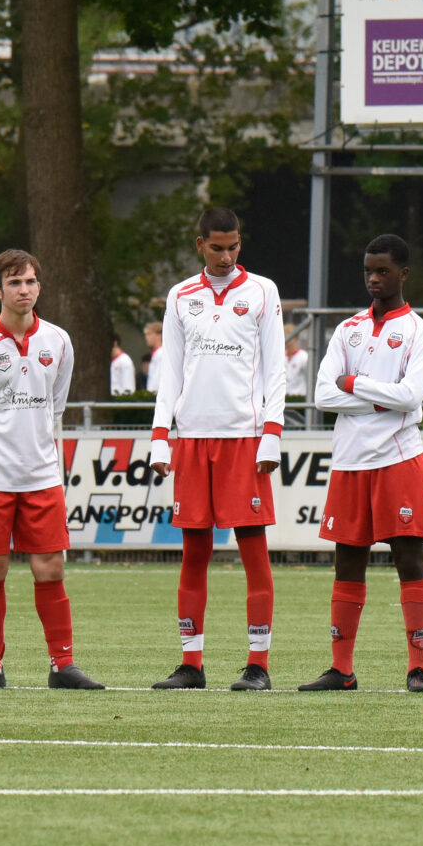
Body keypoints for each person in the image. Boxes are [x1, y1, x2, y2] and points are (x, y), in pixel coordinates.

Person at [0, 248, 103, 694]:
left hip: (41, 475)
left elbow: (56, 406)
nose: (24, 290)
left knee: (50, 569)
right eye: (15, 283)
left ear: (39, 286)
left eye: (31, 281)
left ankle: (63, 665)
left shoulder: (59, 341)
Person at [147, 206, 285, 690]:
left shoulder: (263, 291)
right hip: (191, 440)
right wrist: (160, 438)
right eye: (217, 248)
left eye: (234, 247)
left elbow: (276, 368)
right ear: (200, 244)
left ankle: (258, 664)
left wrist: (272, 433)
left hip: (244, 439)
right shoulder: (180, 295)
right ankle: (192, 664)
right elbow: (171, 371)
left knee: (254, 554)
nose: (226, 257)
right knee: (193, 554)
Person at [303, 235, 423, 692]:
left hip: (398, 458)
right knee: (347, 562)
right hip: (349, 461)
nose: (374, 279)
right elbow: (323, 396)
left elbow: (411, 396)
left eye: (383, 271)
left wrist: (353, 384)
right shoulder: (348, 329)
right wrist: (383, 399)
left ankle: (417, 669)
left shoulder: (419, 331)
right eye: (368, 271)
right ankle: (342, 670)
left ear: (404, 274)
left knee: (409, 558)